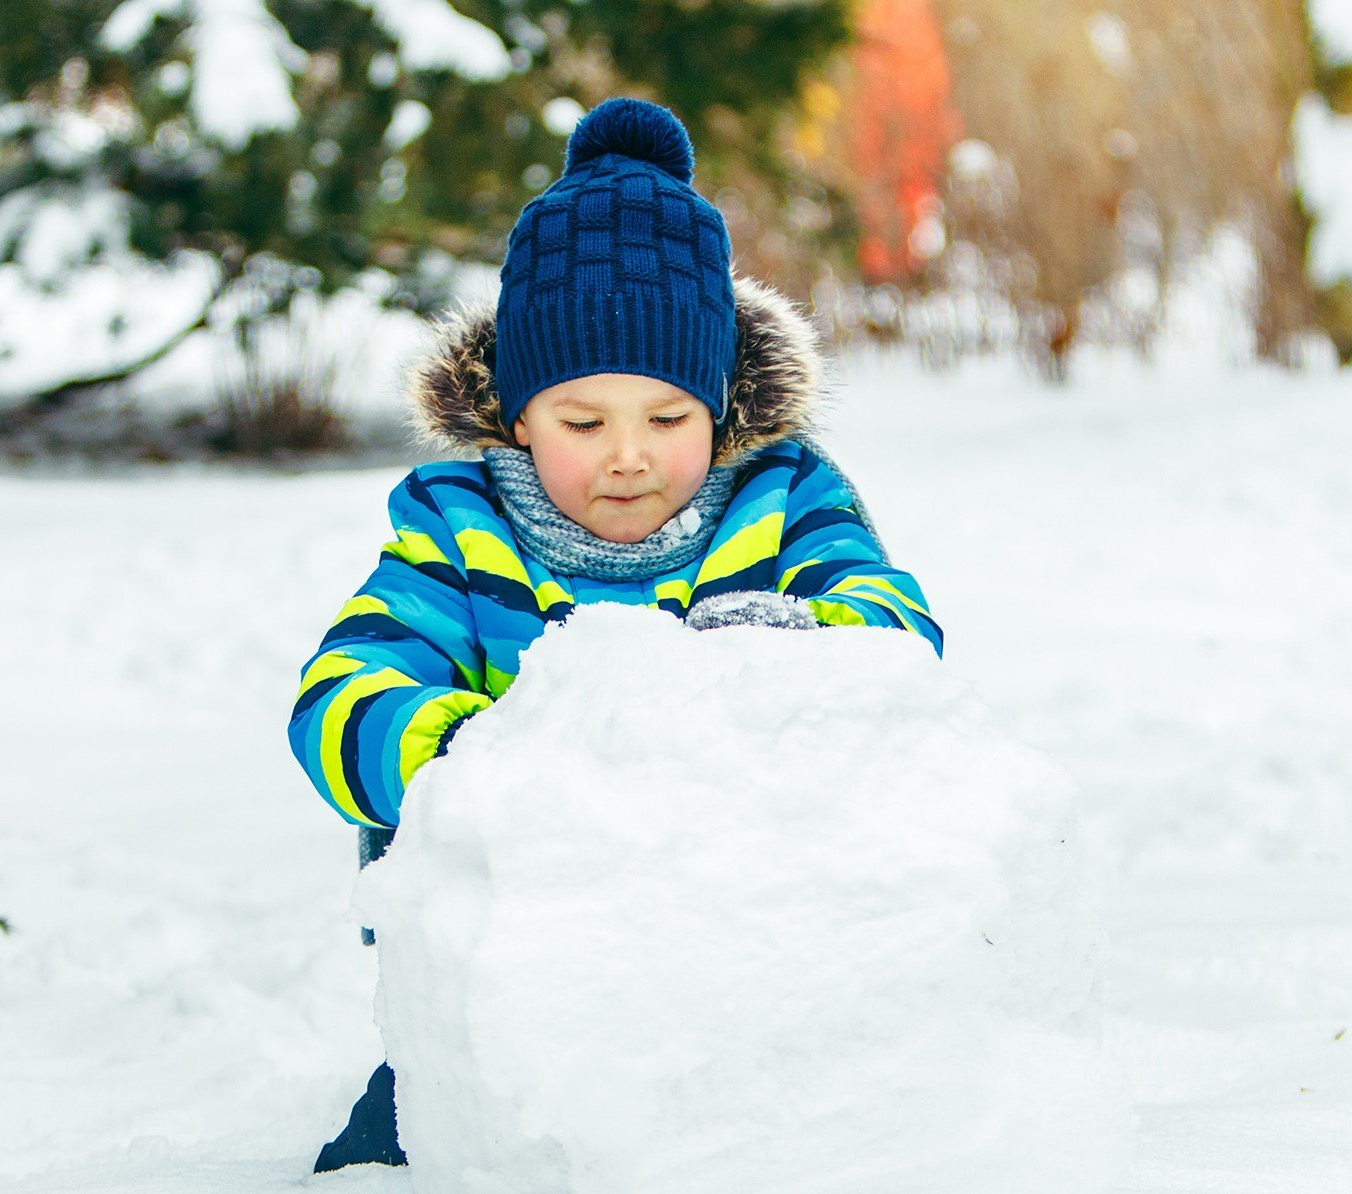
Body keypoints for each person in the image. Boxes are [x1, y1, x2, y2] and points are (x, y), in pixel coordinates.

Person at [286, 97, 944, 1173]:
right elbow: (341, 696)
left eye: (668, 418)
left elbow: (893, 642)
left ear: (721, 405)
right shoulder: (457, 527)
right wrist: (484, 759)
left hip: (735, 942)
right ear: (514, 414)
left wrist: (767, 656)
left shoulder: (780, 501)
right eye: (582, 423)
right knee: (401, 1163)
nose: (627, 457)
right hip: (511, 965)